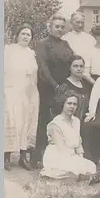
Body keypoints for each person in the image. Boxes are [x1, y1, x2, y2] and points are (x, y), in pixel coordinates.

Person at [34, 14, 75, 168]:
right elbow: (43, 69)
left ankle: (61, 156)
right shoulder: (42, 44)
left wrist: (67, 84)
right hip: (47, 88)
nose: (59, 29)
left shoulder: (65, 44)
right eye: (56, 26)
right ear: (49, 27)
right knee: (45, 121)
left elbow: (73, 60)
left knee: (62, 121)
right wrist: (55, 85)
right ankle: (39, 157)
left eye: (62, 27)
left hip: (64, 88)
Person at [4, 23, 39, 171]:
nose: (26, 37)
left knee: (26, 121)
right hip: (11, 90)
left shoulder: (31, 53)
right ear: (17, 35)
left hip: (28, 91)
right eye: (23, 33)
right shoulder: (8, 50)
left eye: (28, 35)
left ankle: (23, 157)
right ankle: (6, 156)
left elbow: (34, 74)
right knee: (10, 121)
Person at [40, 90, 96, 179]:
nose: (72, 107)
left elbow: (78, 144)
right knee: (72, 169)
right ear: (63, 104)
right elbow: (62, 150)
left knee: (91, 167)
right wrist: (75, 162)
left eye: (75, 104)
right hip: (57, 156)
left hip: (72, 155)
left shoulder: (76, 121)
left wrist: (81, 159)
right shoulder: (55, 124)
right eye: (69, 103)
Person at [53, 55, 92, 123]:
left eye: (81, 66)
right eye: (75, 66)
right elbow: (57, 110)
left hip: (85, 121)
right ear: (70, 68)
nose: (79, 69)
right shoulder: (64, 86)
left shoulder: (86, 85)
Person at [61, 12, 96, 85]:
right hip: (73, 77)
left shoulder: (90, 39)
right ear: (71, 22)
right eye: (77, 22)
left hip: (90, 76)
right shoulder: (65, 39)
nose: (80, 25)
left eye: (82, 22)